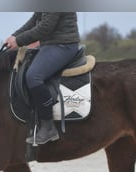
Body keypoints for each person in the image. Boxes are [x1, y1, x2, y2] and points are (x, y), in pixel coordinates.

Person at [5, 12, 80, 145]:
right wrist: (15, 35)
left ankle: (48, 126)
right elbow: (35, 19)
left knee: (33, 76)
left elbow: (46, 26)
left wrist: (19, 40)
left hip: (63, 44)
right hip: (50, 44)